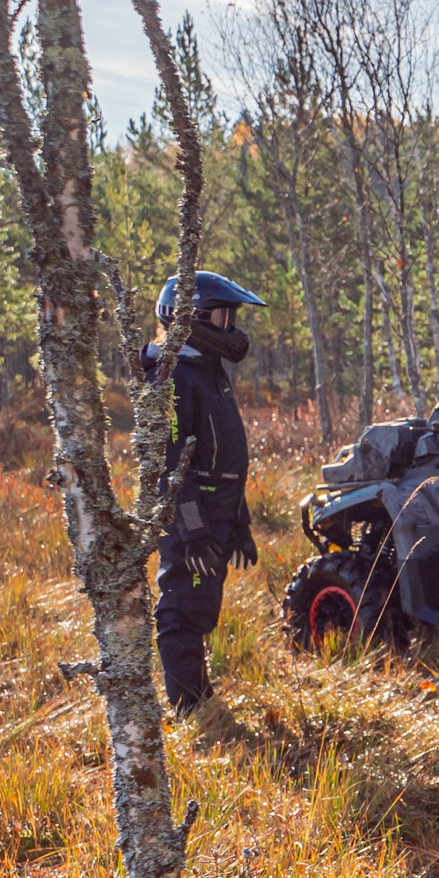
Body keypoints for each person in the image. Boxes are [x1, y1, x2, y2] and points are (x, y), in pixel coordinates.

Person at [147, 271, 266, 713]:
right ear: (191, 317)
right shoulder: (172, 375)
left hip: (215, 514)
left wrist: (240, 524)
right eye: (221, 316)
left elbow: (224, 461)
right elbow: (172, 466)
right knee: (182, 609)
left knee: (200, 605)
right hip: (188, 519)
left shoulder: (205, 369)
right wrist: (194, 532)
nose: (229, 327)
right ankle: (189, 710)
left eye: (231, 316)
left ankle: (199, 696)